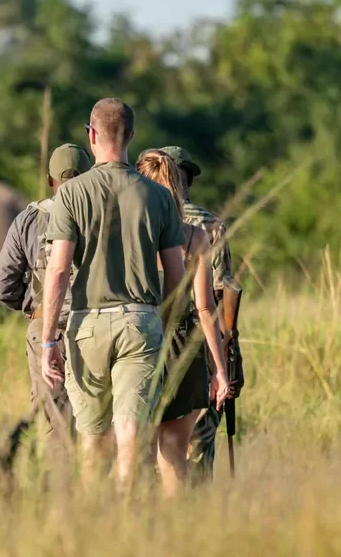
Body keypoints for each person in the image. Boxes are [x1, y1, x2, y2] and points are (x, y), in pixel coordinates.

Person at [38, 97, 192, 495]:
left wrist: (48, 340)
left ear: (91, 135)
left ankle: (93, 518)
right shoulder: (158, 197)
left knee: (91, 438)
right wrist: (164, 322)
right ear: (132, 137)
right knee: (130, 432)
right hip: (141, 320)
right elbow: (176, 273)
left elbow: (57, 271)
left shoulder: (72, 194)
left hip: (86, 322)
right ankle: (127, 516)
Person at [138, 145, 245, 483]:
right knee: (187, 449)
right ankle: (189, 517)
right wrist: (224, 361)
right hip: (188, 341)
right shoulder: (205, 227)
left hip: (135, 334)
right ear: (185, 181)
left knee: (134, 446)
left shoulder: (126, 223)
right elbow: (215, 296)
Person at [0, 143, 93, 450]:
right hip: (97, 325)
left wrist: (34, 306)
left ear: (50, 181)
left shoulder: (29, 219)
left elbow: (1, 286)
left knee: (55, 424)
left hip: (45, 328)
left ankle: (58, 493)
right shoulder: (105, 215)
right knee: (100, 419)